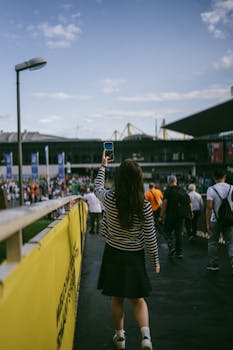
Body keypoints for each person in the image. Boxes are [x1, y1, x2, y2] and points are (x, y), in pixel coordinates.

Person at [94, 151, 160, 350]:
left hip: (113, 253)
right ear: (140, 179)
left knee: (117, 297)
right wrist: (155, 259)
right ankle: (146, 337)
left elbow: (97, 188)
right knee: (138, 299)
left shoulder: (109, 198)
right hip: (135, 256)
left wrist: (103, 166)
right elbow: (150, 236)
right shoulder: (144, 205)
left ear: (119, 178)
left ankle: (120, 338)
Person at [206, 169, 233, 272]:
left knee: (212, 242)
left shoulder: (211, 189)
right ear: (224, 177)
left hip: (215, 220)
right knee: (231, 243)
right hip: (230, 220)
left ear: (214, 178)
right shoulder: (231, 188)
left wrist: (207, 223)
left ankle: (213, 264)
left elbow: (209, 207)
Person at [158, 175, 191, 258]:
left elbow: (164, 204)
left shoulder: (168, 191)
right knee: (179, 234)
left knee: (166, 232)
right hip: (181, 216)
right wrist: (190, 213)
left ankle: (171, 246)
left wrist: (161, 216)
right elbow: (189, 202)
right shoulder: (182, 190)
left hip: (170, 216)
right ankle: (179, 253)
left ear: (169, 182)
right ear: (176, 181)